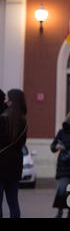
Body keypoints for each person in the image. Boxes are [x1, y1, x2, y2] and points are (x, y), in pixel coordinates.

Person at [0, 89, 27, 218]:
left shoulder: (3, 118)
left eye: (7, 98)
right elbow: (21, 144)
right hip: (15, 166)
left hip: (1, 166)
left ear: (12, 100)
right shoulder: (23, 121)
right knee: (13, 202)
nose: (5, 100)